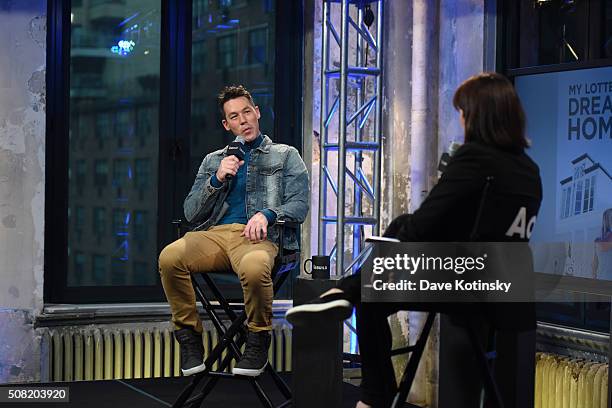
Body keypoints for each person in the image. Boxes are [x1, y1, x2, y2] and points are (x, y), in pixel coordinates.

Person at [286, 72, 543, 407]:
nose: (461, 120)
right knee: (398, 233)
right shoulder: (529, 169)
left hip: (468, 285)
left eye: (463, 113)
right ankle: (350, 289)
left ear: (478, 116)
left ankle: (373, 387)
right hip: (512, 289)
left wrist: (396, 240)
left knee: (372, 290)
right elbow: (493, 229)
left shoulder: (475, 157)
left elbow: (425, 224)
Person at [159, 85, 309, 377]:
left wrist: (268, 214)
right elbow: (190, 213)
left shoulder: (286, 155)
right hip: (215, 235)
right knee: (169, 257)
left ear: (257, 113)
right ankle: (189, 338)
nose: (243, 120)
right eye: (234, 116)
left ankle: (257, 339)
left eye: (247, 112)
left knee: (254, 267)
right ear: (227, 125)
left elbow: (300, 205)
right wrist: (216, 179)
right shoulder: (213, 160)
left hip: (259, 238)